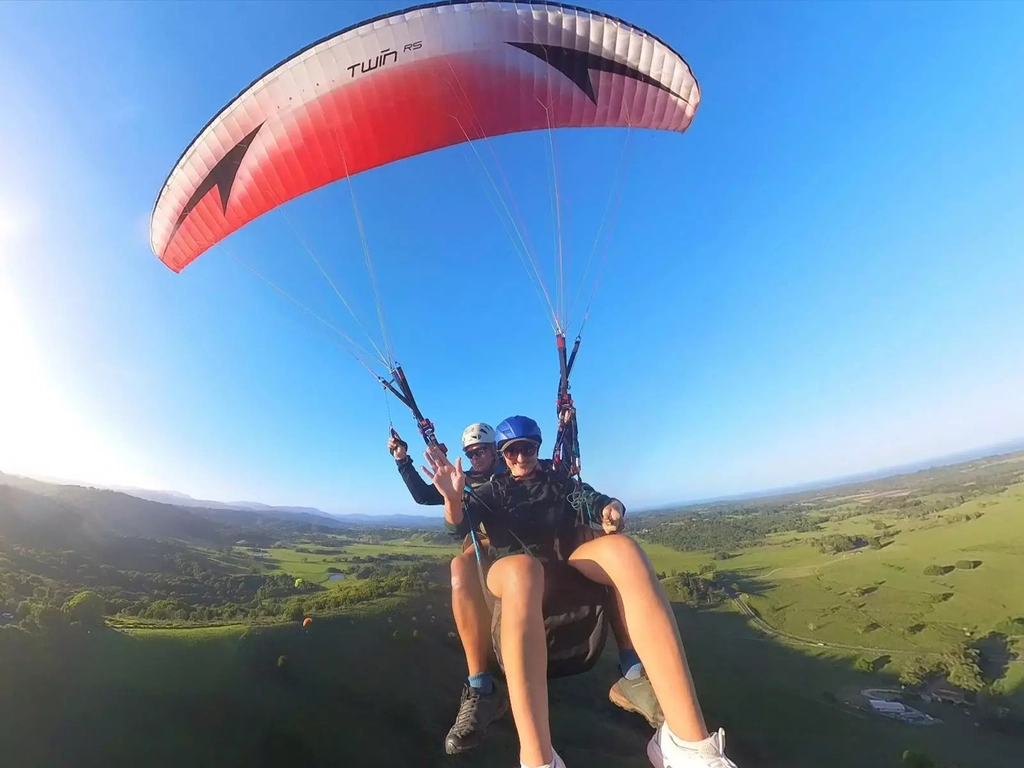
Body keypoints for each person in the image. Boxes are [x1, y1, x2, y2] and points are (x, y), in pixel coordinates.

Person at [423, 416, 739, 768]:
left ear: (537, 448)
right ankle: (538, 759)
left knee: (625, 551)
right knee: (524, 571)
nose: (520, 458)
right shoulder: (491, 492)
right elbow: (458, 528)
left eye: (526, 449)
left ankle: (689, 746)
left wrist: (610, 509)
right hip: (511, 573)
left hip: (563, 565)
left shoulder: (559, 482)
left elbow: (592, 499)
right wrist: (452, 500)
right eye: (511, 452)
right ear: (502, 455)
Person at [389, 423, 511, 753]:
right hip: (486, 548)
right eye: (470, 453)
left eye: (482, 451)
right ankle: (480, 685)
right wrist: (403, 460)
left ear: (495, 450)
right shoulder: (465, 481)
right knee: (460, 566)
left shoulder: (514, 468)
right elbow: (425, 495)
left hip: (522, 548)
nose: (476, 458)